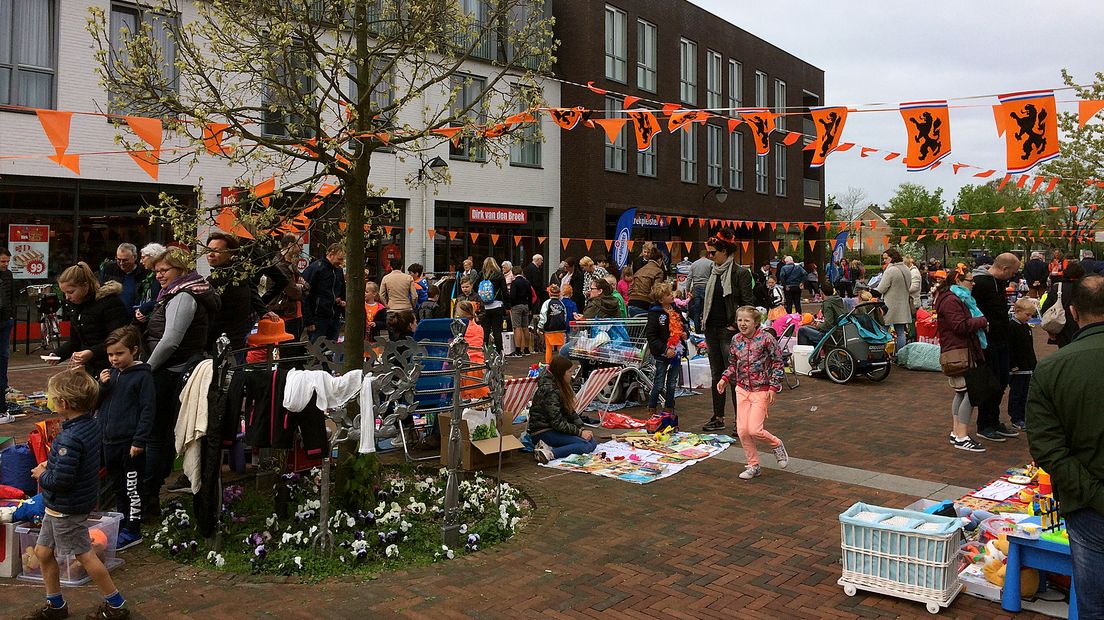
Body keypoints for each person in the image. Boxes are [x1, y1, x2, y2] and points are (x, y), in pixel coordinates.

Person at [25, 367, 132, 620]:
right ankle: (56, 605)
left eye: (51, 397)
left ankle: (116, 606)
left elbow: (62, 481)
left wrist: (43, 475)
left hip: (65, 508)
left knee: (84, 555)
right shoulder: (90, 425)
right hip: (64, 506)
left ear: (63, 403)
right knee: (43, 552)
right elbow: (75, 465)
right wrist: (50, 465)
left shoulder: (68, 438)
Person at [1027, 274, 1104, 620]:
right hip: (1089, 503)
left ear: (1073, 312)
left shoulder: (1053, 367)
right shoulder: (1055, 368)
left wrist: (1093, 494)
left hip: (1088, 506)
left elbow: (1047, 448)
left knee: (1094, 604)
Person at [142, 248, 220, 515]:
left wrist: (146, 369)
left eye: (165, 270)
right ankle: (151, 491)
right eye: (156, 271)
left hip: (169, 372)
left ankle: (148, 496)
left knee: (155, 435)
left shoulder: (184, 295)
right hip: (174, 369)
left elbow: (171, 340)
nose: (159, 275)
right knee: (160, 435)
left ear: (181, 269)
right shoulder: (183, 291)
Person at [96, 326, 154, 550]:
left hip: (130, 444)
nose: (114, 359)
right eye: (111, 354)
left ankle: (133, 529)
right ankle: (122, 523)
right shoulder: (111, 375)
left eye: (119, 353)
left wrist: (139, 440)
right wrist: (102, 386)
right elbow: (97, 404)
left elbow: (148, 410)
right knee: (117, 485)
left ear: (134, 351)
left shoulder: (142, 377)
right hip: (109, 442)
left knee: (132, 487)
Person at [715, 306, 788, 480]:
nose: (742, 323)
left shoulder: (766, 339)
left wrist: (773, 387)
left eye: (746, 320)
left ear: (756, 322)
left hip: (761, 389)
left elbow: (778, 362)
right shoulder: (735, 340)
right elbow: (733, 364)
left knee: (754, 429)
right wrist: (724, 379)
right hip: (742, 389)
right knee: (742, 430)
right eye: (740, 320)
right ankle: (753, 465)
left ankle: (776, 444)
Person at [700, 229, 755, 433]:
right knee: (717, 375)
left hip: (728, 331)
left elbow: (748, 304)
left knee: (733, 377)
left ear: (724, 251)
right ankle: (718, 416)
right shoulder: (712, 273)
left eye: (713, 253)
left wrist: (735, 324)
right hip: (711, 329)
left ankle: (739, 420)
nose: (710, 256)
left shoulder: (740, 273)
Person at [933, 268, 988, 452]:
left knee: (961, 392)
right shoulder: (952, 300)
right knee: (969, 393)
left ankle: (957, 432)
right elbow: (959, 325)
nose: (973, 284)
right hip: (960, 351)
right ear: (958, 279)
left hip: (958, 350)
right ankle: (961, 436)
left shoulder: (951, 297)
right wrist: (982, 322)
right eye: (970, 280)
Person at [971, 252, 1022, 442]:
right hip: (987, 340)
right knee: (991, 382)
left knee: (1001, 380)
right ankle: (984, 425)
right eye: (1013, 272)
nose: (1014, 276)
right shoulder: (980, 283)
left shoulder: (998, 283)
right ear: (1004, 268)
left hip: (1001, 338)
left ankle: (993, 421)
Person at [53, 263, 130, 375]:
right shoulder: (76, 306)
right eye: (64, 293)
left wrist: (92, 352)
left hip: (112, 366)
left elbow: (119, 337)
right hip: (90, 367)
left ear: (85, 286)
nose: (67, 297)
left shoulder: (109, 302)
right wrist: (57, 354)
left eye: (70, 292)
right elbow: (76, 340)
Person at [204, 232, 274, 353]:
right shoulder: (240, 273)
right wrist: (263, 311)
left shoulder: (218, 279)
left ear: (230, 254)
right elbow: (253, 292)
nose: (210, 254)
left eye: (217, 251)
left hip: (223, 343)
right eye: (208, 250)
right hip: (236, 341)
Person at [529, 355, 597, 464]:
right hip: (542, 431)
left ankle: (549, 447)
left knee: (591, 441)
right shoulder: (549, 390)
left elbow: (570, 412)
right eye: (569, 372)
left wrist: (582, 428)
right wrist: (579, 433)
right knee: (584, 445)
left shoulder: (560, 385)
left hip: (554, 429)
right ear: (561, 373)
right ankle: (549, 454)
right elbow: (557, 422)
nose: (572, 375)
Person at [644, 281, 686, 424]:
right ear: (661, 299)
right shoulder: (655, 313)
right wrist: (664, 349)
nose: (672, 295)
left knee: (672, 383)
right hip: (662, 353)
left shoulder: (675, 309)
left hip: (676, 351)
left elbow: (682, 323)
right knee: (659, 382)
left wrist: (684, 333)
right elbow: (651, 336)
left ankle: (669, 408)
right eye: (668, 294)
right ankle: (652, 407)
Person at [262, 234, 307, 340]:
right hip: (284, 313)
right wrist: (300, 287)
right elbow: (293, 292)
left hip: (295, 312)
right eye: (300, 246)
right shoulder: (279, 265)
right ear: (291, 245)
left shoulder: (291, 264)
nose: (301, 249)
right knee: (287, 348)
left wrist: (300, 286)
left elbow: (306, 285)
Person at [302, 243, 347, 342]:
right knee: (317, 349)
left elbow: (342, 292)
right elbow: (305, 295)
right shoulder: (316, 268)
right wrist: (308, 320)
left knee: (331, 348)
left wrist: (342, 304)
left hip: (334, 316)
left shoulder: (338, 271)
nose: (341, 262)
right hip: (318, 317)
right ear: (331, 254)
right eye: (339, 259)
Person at [875, 248, 914, 353]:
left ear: (892, 258)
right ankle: (900, 355)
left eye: (886, 258)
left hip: (889, 305)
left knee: (883, 330)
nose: (884, 260)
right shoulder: (906, 269)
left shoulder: (890, 270)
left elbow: (881, 289)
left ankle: (881, 354)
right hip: (903, 305)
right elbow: (909, 285)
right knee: (901, 332)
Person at [1007, 298, 1036, 433]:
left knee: (1025, 394)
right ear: (1018, 311)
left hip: (1028, 367)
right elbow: (1010, 348)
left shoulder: (1025, 327)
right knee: (1017, 394)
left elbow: (1030, 348)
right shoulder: (1012, 327)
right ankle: (1016, 418)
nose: (1029, 318)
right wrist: (1013, 365)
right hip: (1017, 369)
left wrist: (1034, 364)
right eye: (1027, 315)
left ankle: (1023, 416)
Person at [1041, 261, 1085, 348]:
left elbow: (1046, 307)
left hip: (1062, 324)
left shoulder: (1057, 287)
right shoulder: (1084, 287)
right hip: (1081, 324)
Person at [99, 242, 147, 310]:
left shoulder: (144, 272)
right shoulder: (109, 269)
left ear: (135, 257)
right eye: (118, 259)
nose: (121, 263)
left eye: (125, 260)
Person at [477, 257, 507, 352]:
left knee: (485, 330)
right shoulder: (499, 275)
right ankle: (499, 352)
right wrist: (507, 305)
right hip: (496, 305)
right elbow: (505, 291)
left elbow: (474, 286)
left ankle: (484, 352)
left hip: (484, 307)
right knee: (497, 330)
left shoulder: (481, 275)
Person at [627, 242, 665, 317]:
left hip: (631, 302)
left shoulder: (639, 270)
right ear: (660, 260)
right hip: (644, 303)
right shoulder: (658, 271)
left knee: (635, 328)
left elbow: (630, 288)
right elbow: (657, 291)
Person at [537, 283, 571, 364]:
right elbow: (565, 315)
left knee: (549, 348)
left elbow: (543, 316)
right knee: (560, 347)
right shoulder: (561, 303)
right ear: (559, 294)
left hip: (549, 328)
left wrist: (540, 326)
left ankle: (548, 364)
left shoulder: (546, 303)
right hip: (560, 328)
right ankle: (562, 363)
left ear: (549, 293)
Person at [134, 243, 165, 321]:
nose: (141, 261)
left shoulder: (163, 277)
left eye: (143, 257)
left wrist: (144, 308)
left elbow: (162, 298)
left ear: (153, 257)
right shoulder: (150, 275)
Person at [0, 249, 14, 415]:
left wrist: (11, 315)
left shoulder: (8, 275)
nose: (5, 264)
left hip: (6, 320)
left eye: (7, 261)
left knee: (3, 356)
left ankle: (3, 385)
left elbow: (11, 297)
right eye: (2, 261)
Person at [508, 266, 533, 357]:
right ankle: (526, 349)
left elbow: (512, 295)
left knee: (517, 327)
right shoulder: (527, 282)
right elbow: (530, 296)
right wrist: (530, 308)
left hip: (516, 306)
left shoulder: (514, 282)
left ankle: (518, 350)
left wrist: (511, 305)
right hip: (526, 305)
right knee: (525, 327)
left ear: (513, 273)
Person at [687, 250, 713, 332]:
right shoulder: (711, 263)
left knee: (697, 311)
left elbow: (689, 278)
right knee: (708, 309)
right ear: (708, 255)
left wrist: (688, 290)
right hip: (707, 288)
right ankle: (707, 329)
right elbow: (714, 277)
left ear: (700, 255)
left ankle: (697, 330)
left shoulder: (694, 264)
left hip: (696, 288)